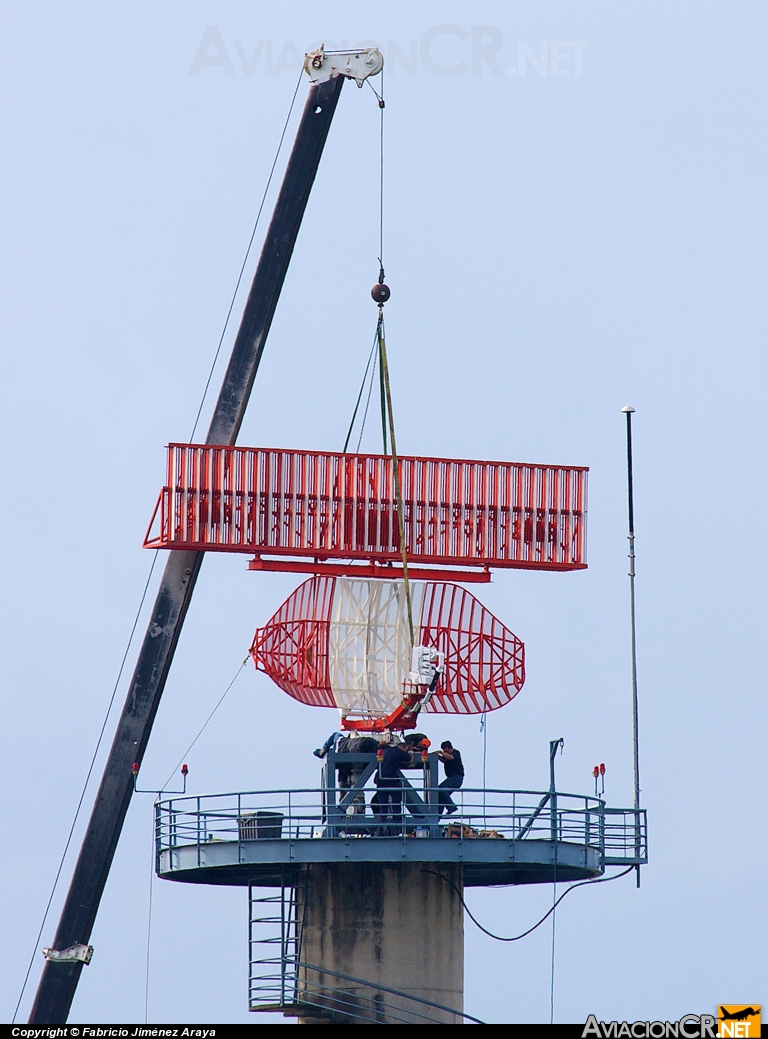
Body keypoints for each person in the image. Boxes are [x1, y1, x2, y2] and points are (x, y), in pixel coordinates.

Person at [374, 739, 414, 834]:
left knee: (382, 797)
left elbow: (381, 746)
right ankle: (396, 816)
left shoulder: (387, 750)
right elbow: (410, 761)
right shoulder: (400, 752)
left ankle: (382, 815)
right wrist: (411, 752)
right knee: (396, 797)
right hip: (391, 778)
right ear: (403, 748)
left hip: (380, 778)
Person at [436, 741, 464, 816]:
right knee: (440, 795)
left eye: (446, 751)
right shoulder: (447, 756)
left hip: (457, 777)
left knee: (441, 789)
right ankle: (438, 815)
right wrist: (437, 756)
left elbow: (451, 757)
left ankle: (451, 806)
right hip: (451, 777)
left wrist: (441, 753)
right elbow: (444, 760)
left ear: (450, 748)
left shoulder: (456, 753)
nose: (446, 753)